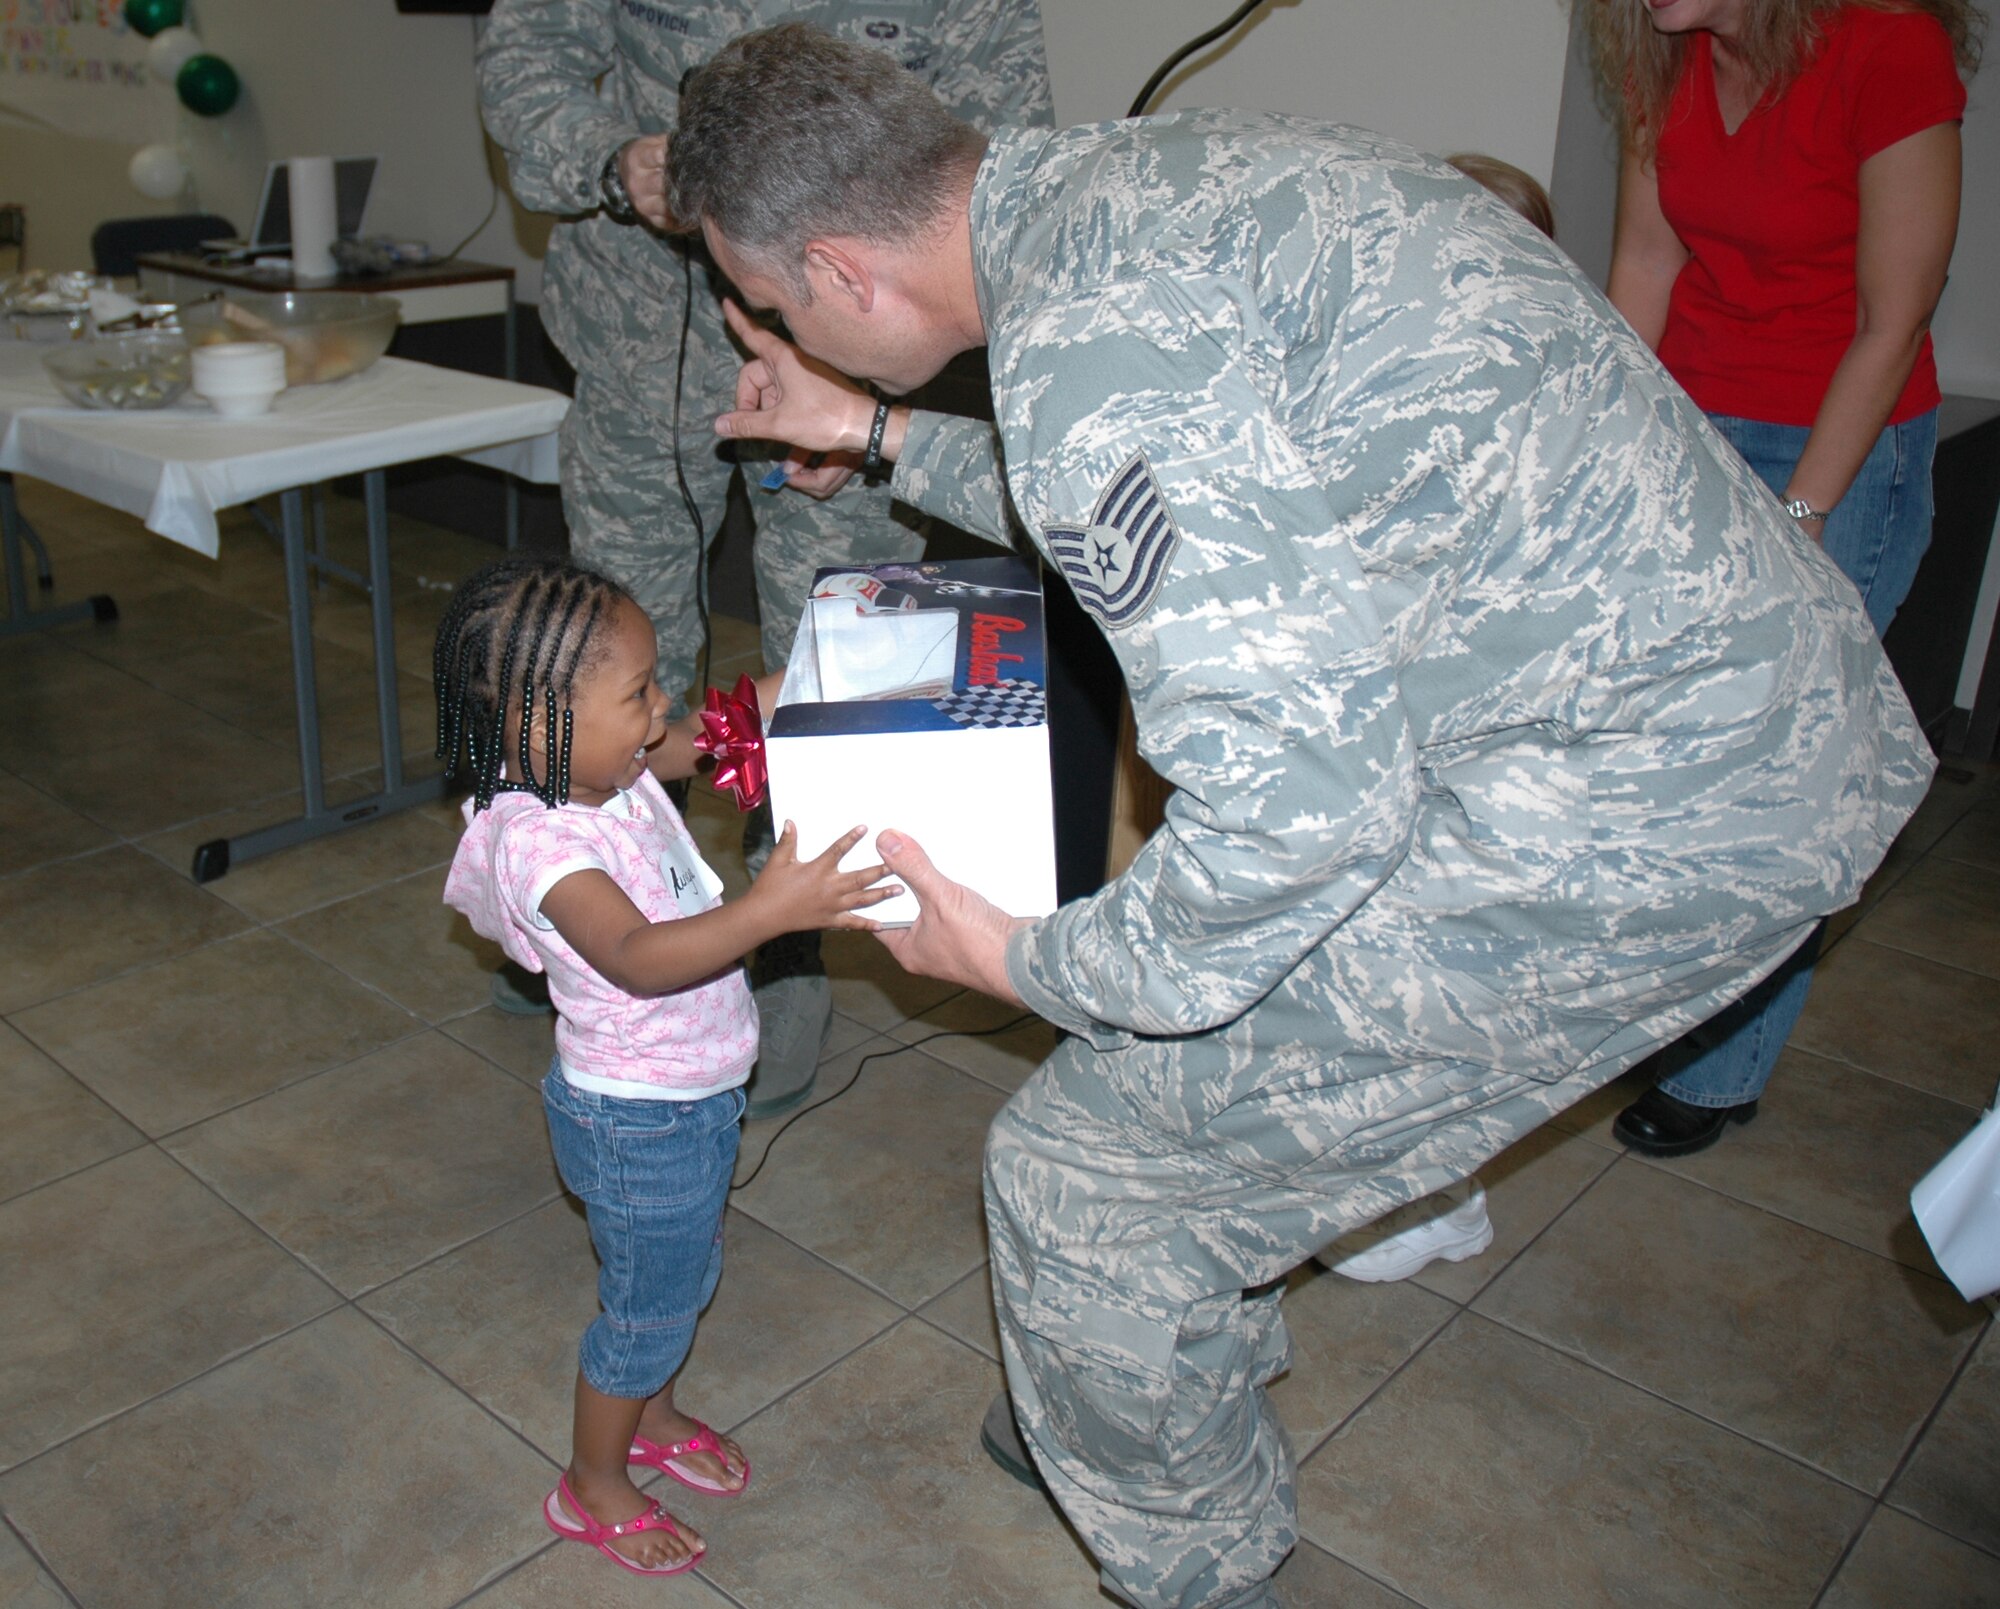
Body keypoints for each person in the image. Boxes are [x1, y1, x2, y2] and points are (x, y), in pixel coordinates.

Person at [667, 28, 1934, 1609]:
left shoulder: (1084, 344)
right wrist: (872, 431)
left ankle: (1196, 1556)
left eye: (782, 309)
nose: (791, 335)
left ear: (847, 270)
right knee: (1177, 1079)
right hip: (1750, 705)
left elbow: (1297, 817)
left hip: (1643, 809)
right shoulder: (1165, 181)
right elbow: (1176, 491)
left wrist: (1033, 959)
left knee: (1083, 1174)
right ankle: (1128, 1384)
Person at [475, 0, 1051, 1118]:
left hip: (862, 342)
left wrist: (898, 392)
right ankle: (590, 899)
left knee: (835, 659)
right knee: (611, 658)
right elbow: (525, 52)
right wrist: (606, 162)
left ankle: (784, 946)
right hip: (640, 335)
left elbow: (998, 137)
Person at [435, 554, 895, 1576]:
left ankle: (653, 1416)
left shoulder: (607, 762)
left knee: (677, 1278)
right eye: (637, 691)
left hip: (686, 1099)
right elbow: (639, 960)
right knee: (643, 1310)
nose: (661, 711)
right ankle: (590, 1481)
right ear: (537, 716)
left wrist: (821, 675)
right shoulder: (541, 840)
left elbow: (716, 732)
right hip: (637, 1116)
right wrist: (767, 910)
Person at [1590, 0, 1980, 1157]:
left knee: (1770, 784)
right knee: (1651, 757)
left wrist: (1798, 514)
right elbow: (1645, 264)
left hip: (1837, 442)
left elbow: (1890, 316)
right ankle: (1645, 1009)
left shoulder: (1884, 43)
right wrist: (1606, 457)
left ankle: (1717, 1072)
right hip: (1691, 419)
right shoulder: (1657, 44)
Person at [1316, 151, 1561, 1285]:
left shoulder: (1532, 420)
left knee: (1424, 966)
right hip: (1388, 745)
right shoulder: (1392, 390)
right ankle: (1401, 1178)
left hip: (1482, 765)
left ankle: (1430, 1193)